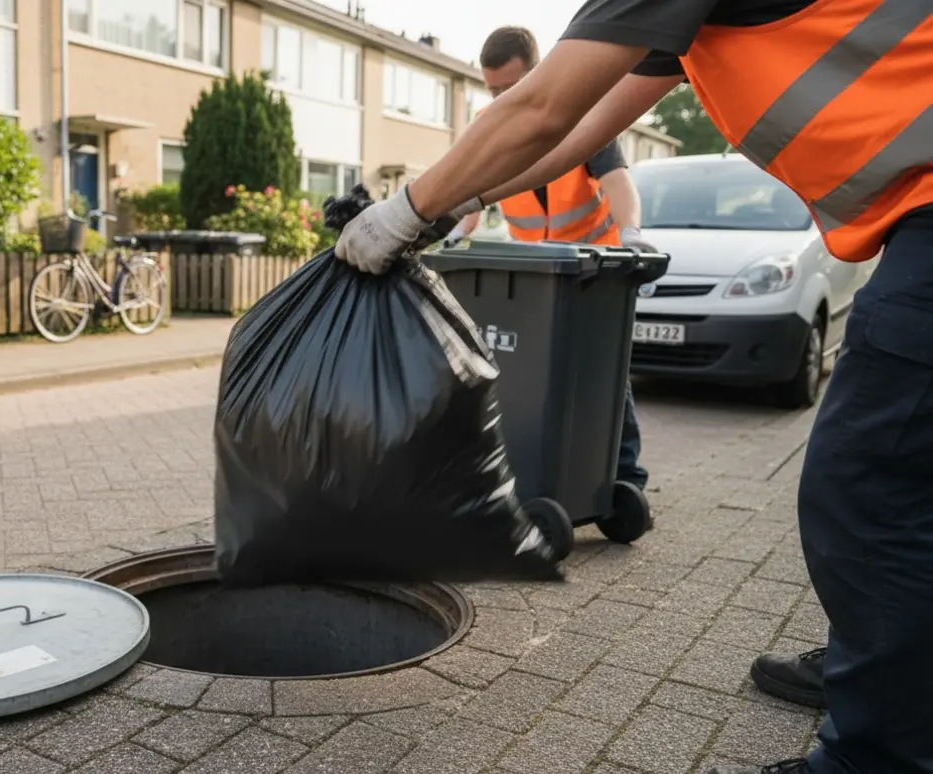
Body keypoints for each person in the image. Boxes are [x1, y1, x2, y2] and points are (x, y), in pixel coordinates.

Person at [333, 1, 933, 773]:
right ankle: (887, 671)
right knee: (903, 481)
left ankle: (877, 746)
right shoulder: (679, 30)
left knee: (865, 488)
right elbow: (573, 128)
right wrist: (461, 201)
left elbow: (544, 106)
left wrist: (403, 213)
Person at [446, 25, 651, 494]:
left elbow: (618, 182)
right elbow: (468, 201)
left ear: (537, 75)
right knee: (532, 369)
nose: (500, 99)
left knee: (604, 370)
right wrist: (452, 235)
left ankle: (625, 477)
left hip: (593, 269)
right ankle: (541, 464)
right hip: (535, 275)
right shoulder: (489, 126)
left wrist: (634, 234)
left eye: (511, 88)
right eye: (492, 89)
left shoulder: (583, 119)